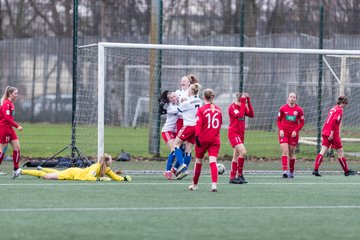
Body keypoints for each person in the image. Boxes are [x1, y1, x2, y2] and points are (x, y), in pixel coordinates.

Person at [312, 96, 356, 177]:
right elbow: (334, 121)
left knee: (322, 151)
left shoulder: (334, 108)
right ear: (343, 103)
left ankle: (315, 170)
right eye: (345, 104)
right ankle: (346, 171)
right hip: (333, 133)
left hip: (325, 131)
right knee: (340, 152)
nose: (345, 106)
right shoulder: (339, 110)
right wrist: (332, 133)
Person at [189, 88, 222, 192]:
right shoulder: (218, 110)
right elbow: (219, 124)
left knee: (198, 162)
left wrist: (197, 137)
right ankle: (214, 185)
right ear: (213, 97)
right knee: (213, 162)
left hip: (202, 140)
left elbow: (198, 125)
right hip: (214, 140)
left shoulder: (201, 110)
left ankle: (194, 185)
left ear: (204, 97)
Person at [12, 153, 132, 181]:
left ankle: (41, 168)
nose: (112, 160)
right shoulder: (96, 167)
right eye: (111, 159)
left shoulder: (106, 168)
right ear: (106, 161)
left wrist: (125, 179)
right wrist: (99, 179)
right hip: (73, 173)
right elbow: (88, 177)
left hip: (75, 172)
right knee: (47, 177)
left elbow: (115, 177)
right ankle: (22, 171)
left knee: (56, 172)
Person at [173, 83, 202, 180]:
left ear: (190, 91)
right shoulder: (199, 100)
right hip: (196, 127)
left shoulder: (187, 102)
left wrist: (180, 101)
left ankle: (182, 166)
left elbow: (179, 111)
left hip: (188, 126)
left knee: (176, 144)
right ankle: (183, 171)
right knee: (188, 150)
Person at [227, 92, 254, 184]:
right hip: (233, 133)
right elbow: (240, 115)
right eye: (243, 102)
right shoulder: (232, 107)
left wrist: (248, 102)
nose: (245, 104)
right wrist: (243, 103)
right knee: (243, 152)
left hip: (241, 134)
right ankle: (240, 174)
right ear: (239, 101)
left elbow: (251, 114)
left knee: (236, 155)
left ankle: (233, 177)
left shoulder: (243, 105)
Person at [277, 92, 305, 178]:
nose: (292, 98)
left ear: (296, 99)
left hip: (293, 135)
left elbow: (302, 122)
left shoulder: (299, 110)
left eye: (294, 97)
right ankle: (285, 171)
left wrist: (296, 130)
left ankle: (291, 172)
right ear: (288, 98)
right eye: (290, 97)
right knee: (285, 152)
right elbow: (278, 120)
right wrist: (281, 129)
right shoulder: (283, 108)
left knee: (291, 153)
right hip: (284, 133)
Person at [0, 86, 23, 176]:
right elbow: (6, 118)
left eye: (17, 93)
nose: (17, 95)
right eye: (15, 93)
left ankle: (16, 169)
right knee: (2, 150)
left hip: (10, 129)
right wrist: (17, 126)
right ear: (10, 94)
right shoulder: (6, 103)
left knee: (17, 148)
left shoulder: (11, 103)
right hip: (4, 128)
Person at [158, 90, 179, 180]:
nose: (174, 98)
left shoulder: (180, 103)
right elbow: (181, 112)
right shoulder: (171, 108)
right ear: (169, 100)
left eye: (175, 96)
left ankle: (174, 169)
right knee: (174, 150)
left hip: (175, 132)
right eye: (171, 97)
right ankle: (167, 171)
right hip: (167, 131)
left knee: (181, 152)